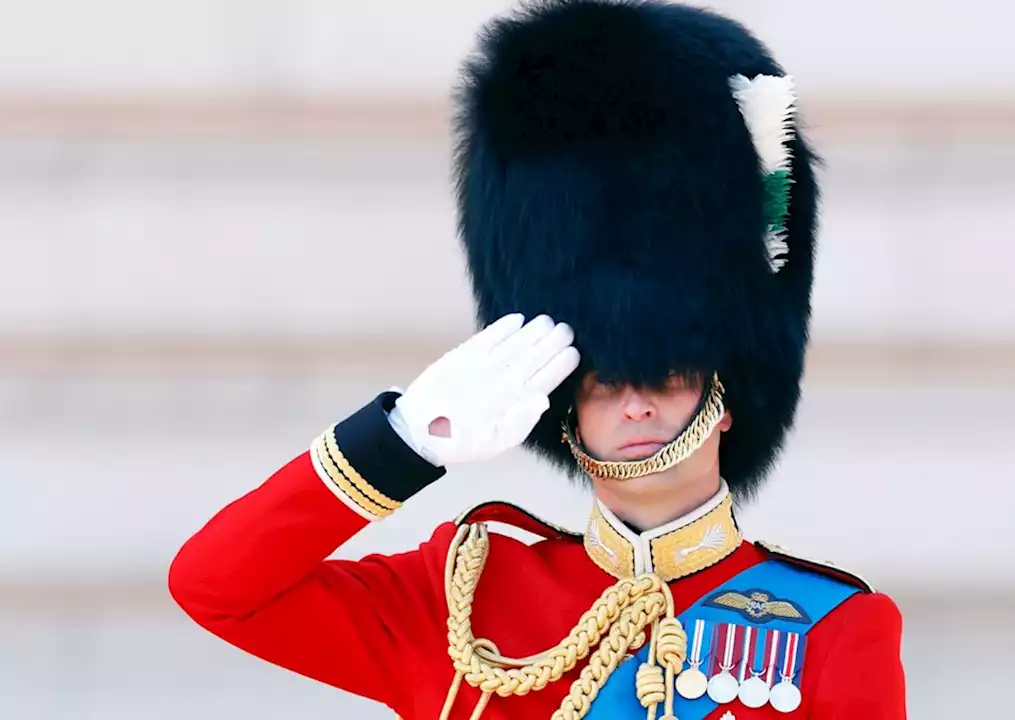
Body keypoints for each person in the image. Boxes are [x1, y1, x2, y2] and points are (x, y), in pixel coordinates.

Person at [168, 1, 907, 718]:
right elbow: (215, 587)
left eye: (667, 375)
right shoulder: (458, 594)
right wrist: (403, 442)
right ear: (562, 410)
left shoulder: (829, 628)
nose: (637, 405)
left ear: (726, 398)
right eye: (603, 383)